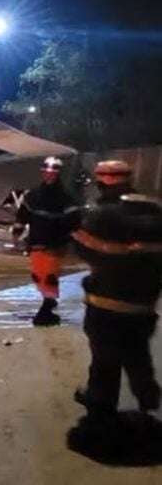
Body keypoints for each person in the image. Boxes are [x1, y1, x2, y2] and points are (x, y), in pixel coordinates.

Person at [72, 160, 162, 419]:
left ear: (103, 181)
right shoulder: (156, 212)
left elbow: (81, 249)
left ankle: (100, 405)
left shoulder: (102, 214)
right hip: (144, 302)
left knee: (104, 358)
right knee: (137, 353)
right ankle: (148, 398)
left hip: (106, 302)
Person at [12, 156, 81, 326]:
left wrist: (75, 238)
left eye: (53, 173)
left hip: (56, 243)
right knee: (38, 275)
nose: (49, 176)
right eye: (46, 172)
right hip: (36, 241)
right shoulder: (33, 196)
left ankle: (47, 308)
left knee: (49, 276)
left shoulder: (66, 198)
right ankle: (48, 301)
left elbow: (74, 220)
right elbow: (22, 215)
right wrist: (17, 231)